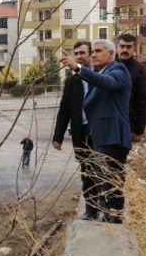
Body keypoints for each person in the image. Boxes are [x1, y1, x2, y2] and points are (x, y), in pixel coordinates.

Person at [60, 39, 131, 223]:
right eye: (93, 52)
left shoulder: (117, 70)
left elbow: (107, 83)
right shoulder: (99, 73)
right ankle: (101, 214)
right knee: (98, 179)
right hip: (99, 137)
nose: (93, 55)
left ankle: (113, 220)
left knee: (111, 183)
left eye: (98, 51)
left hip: (113, 136)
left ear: (111, 54)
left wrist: (78, 68)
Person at [52, 41, 96, 219]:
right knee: (86, 172)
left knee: (102, 169)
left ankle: (107, 208)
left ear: (91, 54)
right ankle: (91, 210)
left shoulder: (100, 75)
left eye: (82, 52)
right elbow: (65, 110)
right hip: (81, 132)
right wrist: (58, 137)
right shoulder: (72, 82)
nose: (79, 56)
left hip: (100, 131)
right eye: (76, 53)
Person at [116, 33, 146, 143]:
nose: (125, 50)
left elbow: (143, 101)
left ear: (134, 49)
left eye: (128, 47)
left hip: (128, 123)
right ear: (117, 47)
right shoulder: (109, 65)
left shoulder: (140, 70)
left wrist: (138, 130)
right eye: (122, 46)